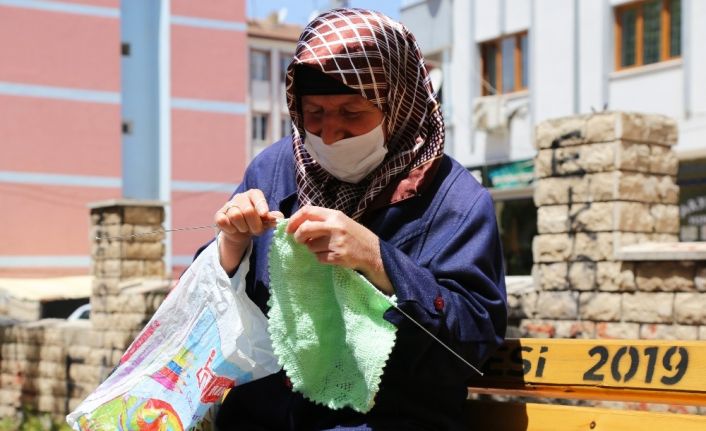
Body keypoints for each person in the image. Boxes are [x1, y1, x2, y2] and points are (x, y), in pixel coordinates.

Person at [210, 8, 507, 430]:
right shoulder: (273, 170)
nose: (329, 134)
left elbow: (472, 344)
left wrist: (379, 260)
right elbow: (216, 306)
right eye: (314, 113)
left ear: (397, 105)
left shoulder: (455, 201)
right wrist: (230, 247)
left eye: (351, 113)